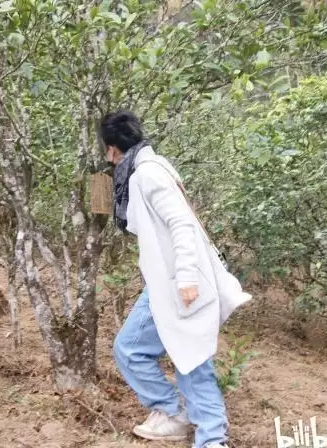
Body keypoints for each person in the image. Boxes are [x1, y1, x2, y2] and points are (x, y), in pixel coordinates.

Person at [101, 110, 251, 448]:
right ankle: (176, 416)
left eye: (106, 151)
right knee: (139, 349)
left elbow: (181, 223)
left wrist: (186, 279)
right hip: (165, 282)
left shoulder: (147, 174)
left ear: (111, 149)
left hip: (182, 281)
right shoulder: (150, 167)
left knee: (191, 360)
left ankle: (209, 438)